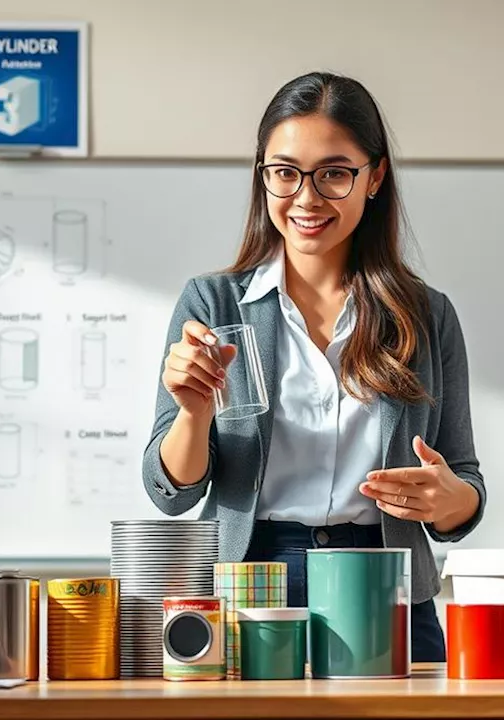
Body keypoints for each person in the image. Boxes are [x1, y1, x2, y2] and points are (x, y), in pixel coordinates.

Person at [140, 71, 485, 662]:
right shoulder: (213, 304)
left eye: (333, 173)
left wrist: (450, 501)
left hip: (388, 580)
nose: (305, 197)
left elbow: (464, 490)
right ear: (263, 175)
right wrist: (194, 413)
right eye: (284, 172)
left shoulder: (427, 315)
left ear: (374, 177)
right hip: (252, 582)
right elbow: (170, 494)